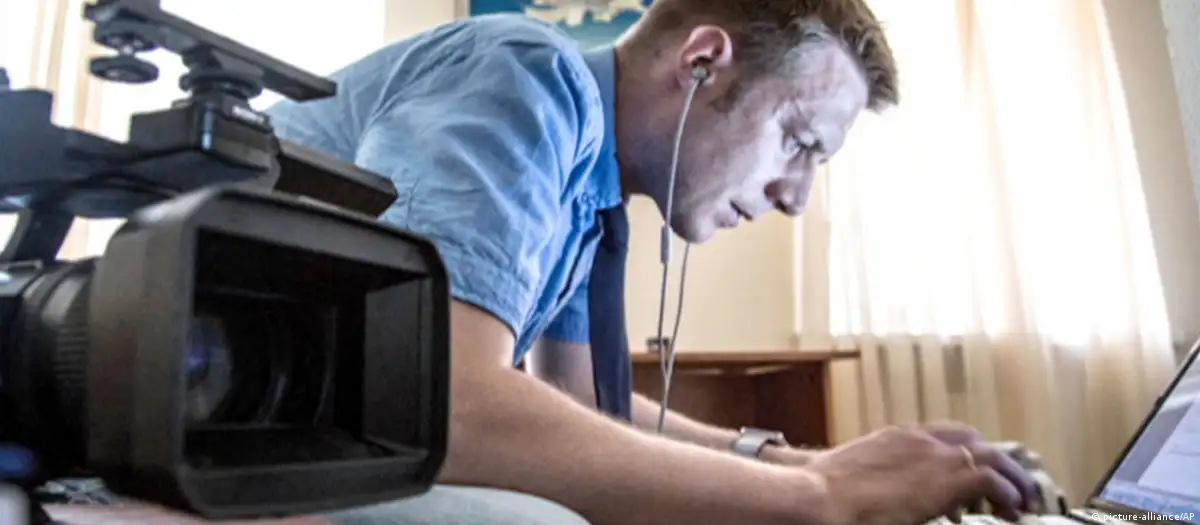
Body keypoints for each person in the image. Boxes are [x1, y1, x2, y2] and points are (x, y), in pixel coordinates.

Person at [48, 1, 1041, 524]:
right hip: (181, 434)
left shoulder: (589, 192)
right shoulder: (529, 79)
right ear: (703, 62)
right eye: (800, 142)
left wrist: (800, 461)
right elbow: (440, 400)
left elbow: (581, 412)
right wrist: (822, 501)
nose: (795, 196)